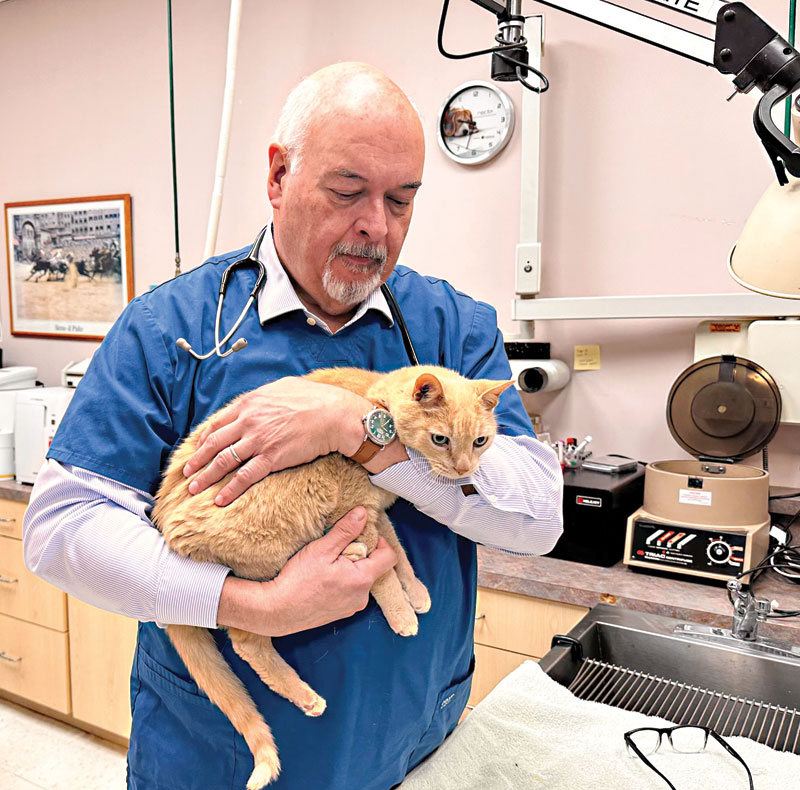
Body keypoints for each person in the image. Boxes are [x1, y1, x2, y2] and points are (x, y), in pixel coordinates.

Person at [23, 63, 563, 790]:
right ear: (279, 176)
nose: (377, 226)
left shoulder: (454, 328)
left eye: (401, 200)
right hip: (218, 754)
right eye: (347, 192)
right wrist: (250, 605)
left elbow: (539, 520)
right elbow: (59, 530)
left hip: (412, 737)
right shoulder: (172, 329)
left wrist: (360, 430)